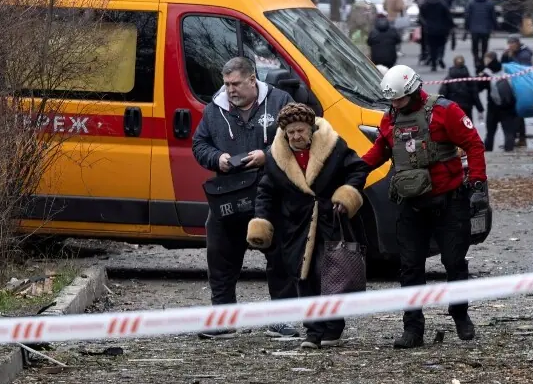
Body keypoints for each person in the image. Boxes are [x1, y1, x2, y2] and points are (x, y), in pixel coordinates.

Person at [361, 64, 489, 349]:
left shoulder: (446, 111)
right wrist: (353, 173)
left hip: (450, 202)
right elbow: (379, 151)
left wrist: (478, 184)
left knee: (454, 263)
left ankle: (460, 315)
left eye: (399, 100)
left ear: (413, 91)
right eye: (391, 101)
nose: (394, 105)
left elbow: (474, 144)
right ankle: (413, 328)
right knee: (409, 268)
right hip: (411, 205)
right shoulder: (390, 120)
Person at [192, 56, 299, 339]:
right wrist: (218, 158)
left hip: (271, 194)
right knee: (220, 258)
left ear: (253, 80)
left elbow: (299, 137)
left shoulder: (280, 101)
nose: (230, 90)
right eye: (226, 84)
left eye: (236, 84)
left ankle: (282, 320)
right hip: (227, 194)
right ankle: (223, 320)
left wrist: (268, 155)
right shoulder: (215, 109)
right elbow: (199, 144)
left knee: (280, 258)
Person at [247, 103, 369, 349]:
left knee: (330, 276)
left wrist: (345, 197)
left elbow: (358, 169)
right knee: (302, 277)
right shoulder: (275, 157)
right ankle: (313, 332)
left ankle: (332, 328)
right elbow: (266, 192)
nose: (295, 136)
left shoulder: (334, 147)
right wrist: (261, 220)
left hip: (329, 222)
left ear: (311, 129)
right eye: (290, 132)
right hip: (296, 227)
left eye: (300, 130)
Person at [479, 52, 518, 151]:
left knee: (490, 132)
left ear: (488, 59)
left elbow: (479, 88)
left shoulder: (486, 73)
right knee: (508, 131)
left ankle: (488, 151)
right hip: (508, 105)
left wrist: (479, 77)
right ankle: (509, 150)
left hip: (493, 107)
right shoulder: (505, 68)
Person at [500, 36, 533, 147]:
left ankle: (520, 138)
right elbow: (504, 66)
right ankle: (516, 138)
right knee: (514, 114)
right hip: (513, 85)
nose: (510, 46)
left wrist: (512, 57)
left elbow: (521, 69)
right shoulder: (513, 53)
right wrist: (505, 56)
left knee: (518, 114)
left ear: (517, 44)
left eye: (512, 44)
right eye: (508, 44)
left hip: (521, 87)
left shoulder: (524, 54)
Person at [419, 0, 454, 71]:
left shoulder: (425, 4)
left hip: (429, 29)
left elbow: (421, 16)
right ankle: (440, 57)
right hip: (442, 29)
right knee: (441, 44)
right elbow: (448, 16)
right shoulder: (442, 4)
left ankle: (433, 64)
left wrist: (425, 24)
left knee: (432, 47)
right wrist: (451, 25)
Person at [439, 55, 484, 120]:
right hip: (467, 109)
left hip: (452, 108)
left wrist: (440, 109)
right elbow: (475, 95)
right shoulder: (469, 79)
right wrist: (480, 109)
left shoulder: (448, 79)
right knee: (467, 128)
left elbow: (442, 94)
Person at [464, 0, 497, 69]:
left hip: (474, 28)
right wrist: (495, 27)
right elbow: (493, 16)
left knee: (474, 46)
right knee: (484, 46)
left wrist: (467, 27)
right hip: (486, 28)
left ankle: (476, 59)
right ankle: (482, 60)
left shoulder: (471, 2)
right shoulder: (490, 3)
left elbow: (467, 16)